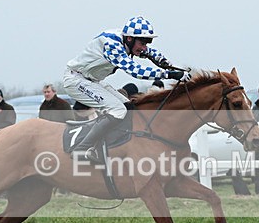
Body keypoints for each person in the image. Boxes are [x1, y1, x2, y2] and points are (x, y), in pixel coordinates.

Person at [62, 16, 188, 163]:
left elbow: (148, 51)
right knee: (118, 111)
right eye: (142, 43)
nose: (144, 47)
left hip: (92, 80)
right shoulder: (112, 45)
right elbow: (135, 71)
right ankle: (82, 149)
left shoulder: (127, 40)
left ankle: (113, 144)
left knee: (129, 107)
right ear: (129, 39)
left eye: (147, 43)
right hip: (76, 80)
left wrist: (164, 62)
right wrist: (168, 74)